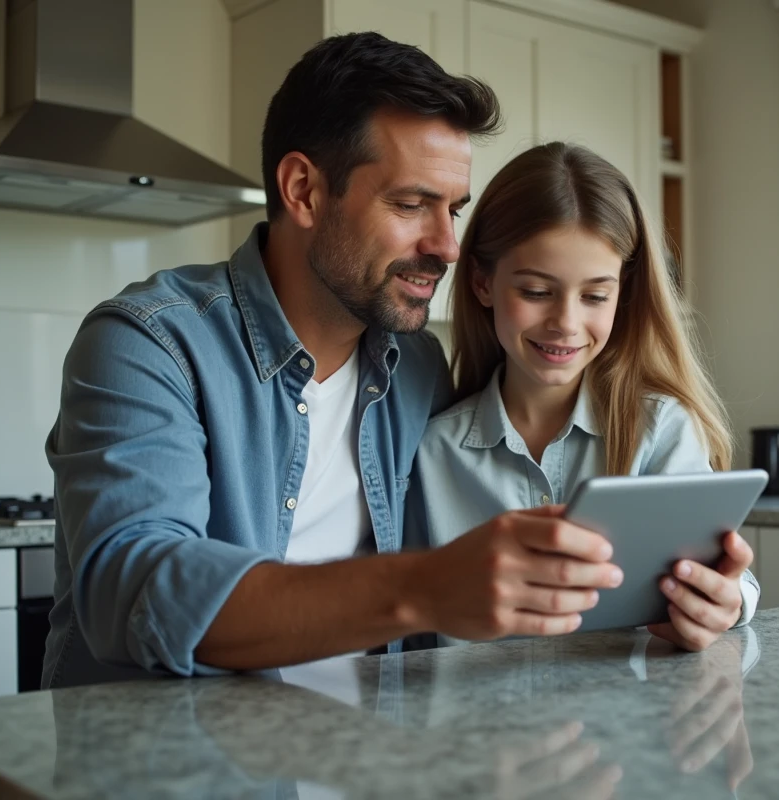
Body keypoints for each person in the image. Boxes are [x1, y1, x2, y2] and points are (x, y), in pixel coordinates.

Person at [41, 33, 625, 689]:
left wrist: (686, 591)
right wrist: (421, 588)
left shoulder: (418, 368)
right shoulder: (148, 344)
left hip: (369, 760)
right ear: (305, 190)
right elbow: (135, 589)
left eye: (452, 210)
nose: (448, 247)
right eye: (411, 204)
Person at [411, 143, 759, 652]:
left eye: (595, 296)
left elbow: (728, 583)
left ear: (623, 294)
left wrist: (725, 604)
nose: (566, 324)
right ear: (484, 282)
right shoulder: (430, 451)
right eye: (535, 291)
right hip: (472, 726)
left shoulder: (659, 431)